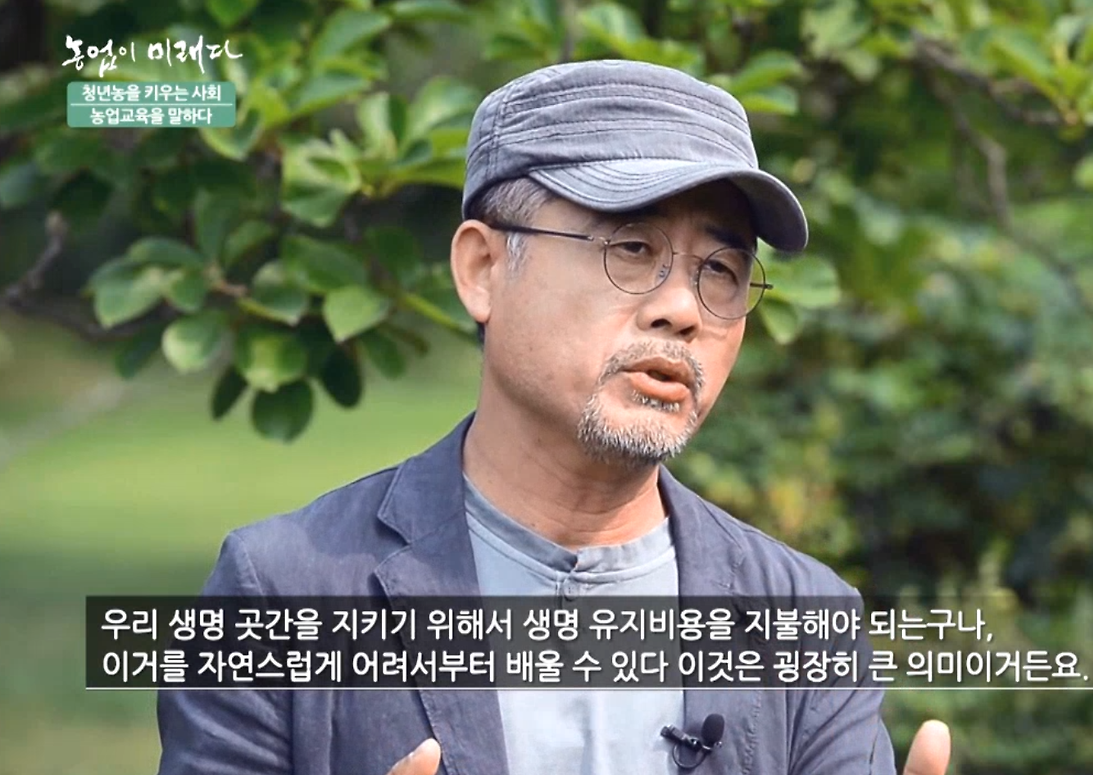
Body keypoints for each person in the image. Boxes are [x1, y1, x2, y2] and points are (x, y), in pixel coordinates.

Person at [156, 58, 952, 775]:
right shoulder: (281, 592)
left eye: (721, 269)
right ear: (482, 269)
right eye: (632, 248)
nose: (682, 308)